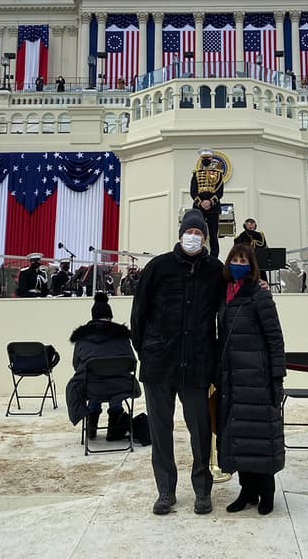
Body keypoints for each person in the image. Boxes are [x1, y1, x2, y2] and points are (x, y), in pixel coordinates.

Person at [130, 209, 223, 516]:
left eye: (198, 233)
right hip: (159, 366)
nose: (193, 237)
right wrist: (148, 351)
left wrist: (257, 285)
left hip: (197, 366)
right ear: (180, 233)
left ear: (206, 238)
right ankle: (165, 491)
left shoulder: (214, 270)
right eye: (189, 232)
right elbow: (138, 316)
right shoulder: (158, 267)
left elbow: (229, 307)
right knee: (160, 431)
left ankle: (202, 491)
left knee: (199, 430)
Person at [217, 243, 285, 515]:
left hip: (257, 377)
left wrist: (276, 377)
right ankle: (247, 490)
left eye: (243, 259)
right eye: (234, 258)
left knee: (261, 436)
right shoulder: (224, 294)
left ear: (252, 263)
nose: (238, 263)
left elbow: (275, 337)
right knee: (240, 437)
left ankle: (266, 492)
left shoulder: (260, 294)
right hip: (232, 378)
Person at [67, 293, 139, 442]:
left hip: (92, 387)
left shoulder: (82, 337)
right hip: (120, 386)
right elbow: (131, 362)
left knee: (93, 380)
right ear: (110, 317)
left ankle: (91, 428)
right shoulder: (122, 336)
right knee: (113, 383)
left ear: (93, 317)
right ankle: (114, 428)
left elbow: (76, 365)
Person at [189, 149, 225, 259]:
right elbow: (193, 191)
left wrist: (210, 202)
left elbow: (220, 192)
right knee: (197, 232)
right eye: (203, 158)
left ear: (211, 159)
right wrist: (201, 203)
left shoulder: (218, 174)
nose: (205, 160)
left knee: (213, 235)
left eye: (207, 158)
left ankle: (214, 257)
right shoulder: (196, 174)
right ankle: (196, 254)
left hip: (213, 208)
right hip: (199, 208)